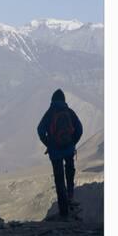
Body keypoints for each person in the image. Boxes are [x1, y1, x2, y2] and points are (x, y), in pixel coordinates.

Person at [37, 89, 83, 218]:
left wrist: (48, 143)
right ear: (63, 100)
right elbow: (80, 129)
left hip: (55, 152)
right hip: (69, 150)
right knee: (69, 173)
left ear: (52, 100)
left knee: (59, 179)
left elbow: (40, 130)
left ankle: (64, 211)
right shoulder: (69, 112)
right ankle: (71, 198)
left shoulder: (49, 113)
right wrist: (73, 142)